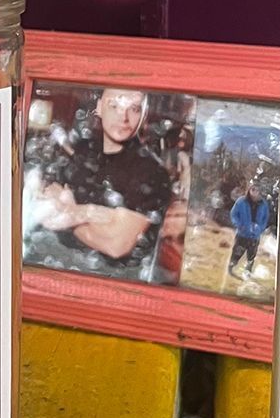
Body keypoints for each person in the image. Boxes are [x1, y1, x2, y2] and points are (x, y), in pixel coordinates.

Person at [24, 87, 174, 281]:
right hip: (52, 259)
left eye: (134, 109)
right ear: (100, 108)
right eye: (114, 106)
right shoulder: (82, 149)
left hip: (111, 277)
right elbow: (47, 208)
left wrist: (70, 215)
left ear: (143, 114)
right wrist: (91, 213)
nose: (124, 118)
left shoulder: (151, 171)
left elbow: (116, 245)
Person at [228, 180, 274, 281]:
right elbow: (234, 214)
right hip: (242, 233)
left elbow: (265, 219)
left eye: (257, 190)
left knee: (251, 255)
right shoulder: (241, 201)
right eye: (253, 189)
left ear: (260, 192)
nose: (254, 192)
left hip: (255, 235)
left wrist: (261, 229)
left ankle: (248, 271)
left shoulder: (263, 204)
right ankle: (231, 268)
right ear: (249, 190)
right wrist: (239, 225)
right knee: (237, 252)